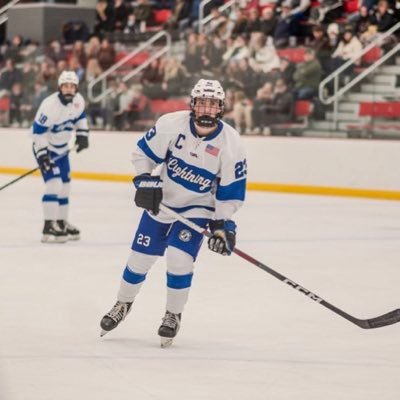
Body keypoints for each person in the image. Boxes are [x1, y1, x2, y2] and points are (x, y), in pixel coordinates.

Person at [100, 79, 247, 347]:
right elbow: (142, 153)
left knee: (179, 259)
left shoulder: (231, 144)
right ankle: (123, 303)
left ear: (221, 108)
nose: (206, 109)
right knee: (139, 259)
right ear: (192, 104)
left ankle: (172, 314)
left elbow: (232, 191)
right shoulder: (171, 124)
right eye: (201, 102)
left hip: (198, 208)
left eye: (212, 105)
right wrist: (144, 179)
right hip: (163, 203)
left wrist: (222, 224)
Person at [32, 70, 89, 243]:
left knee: (65, 187)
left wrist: (82, 134)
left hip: (62, 150)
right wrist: (43, 156)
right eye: (66, 86)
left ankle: (61, 222)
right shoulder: (49, 106)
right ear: (59, 87)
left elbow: (81, 118)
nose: (69, 89)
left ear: (76, 88)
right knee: (54, 184)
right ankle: (48, 225)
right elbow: (38, 132)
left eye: (72, 86)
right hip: (46, 149)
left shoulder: (78, 101)